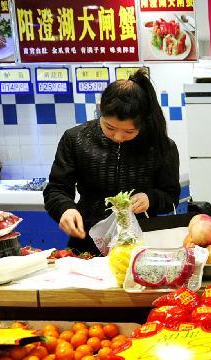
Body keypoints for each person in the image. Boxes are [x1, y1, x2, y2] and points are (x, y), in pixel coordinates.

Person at [44, 69, 180, 255]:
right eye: (110, 127)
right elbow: (56, 189)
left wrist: (150, 198)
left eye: (129, 131)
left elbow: (171, 196)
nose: (118, 136)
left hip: (140, 246)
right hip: (87, 243)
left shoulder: (160, 146)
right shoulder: (75, 139)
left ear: (142, 122)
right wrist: (65, 209)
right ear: (101, 110)